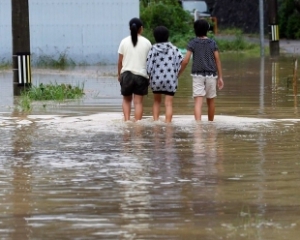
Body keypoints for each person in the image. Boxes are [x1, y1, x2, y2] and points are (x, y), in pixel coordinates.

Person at [179, 19, 224, 121]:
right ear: (207, 30)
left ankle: (198, 128)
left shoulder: (193, 43)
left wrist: (178, 73)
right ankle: (211, 125)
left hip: (198, 75)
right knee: (211, 102)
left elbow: (185, 61)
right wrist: (220, 77)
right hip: (211, 75)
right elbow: (217, 60)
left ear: (195, 30)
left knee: (198, 103)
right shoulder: (212, 43)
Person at [146, 26, 183, 123]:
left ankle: (156, 123)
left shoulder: (153, 49)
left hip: (156, 80)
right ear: (168, 36)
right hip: (170, 80)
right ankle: (168, 124)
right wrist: (177, 74)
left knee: (156, 102)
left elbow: (148, 65)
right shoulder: (174, 49)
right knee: (168, 103)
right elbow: (181, 61)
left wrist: (149, 77)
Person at [117, 18, 152, 121]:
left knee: (126, 100)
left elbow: (120, 61)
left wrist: (119, 75)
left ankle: (127, 121)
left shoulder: (124, 42)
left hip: (126, 74)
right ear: (141, 29)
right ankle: (138, 126)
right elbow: (149, 62)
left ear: (129, 28)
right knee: (138, 102)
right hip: (141, 76)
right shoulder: (147, 43)